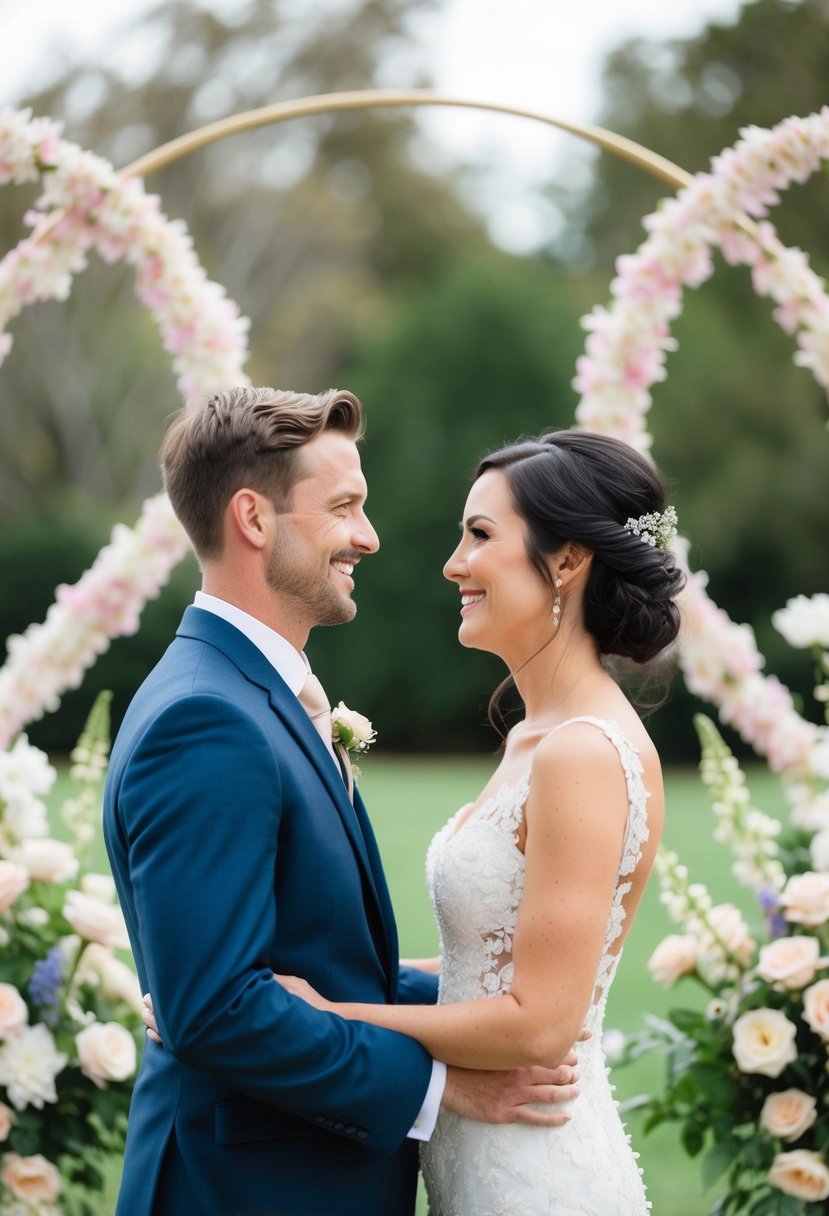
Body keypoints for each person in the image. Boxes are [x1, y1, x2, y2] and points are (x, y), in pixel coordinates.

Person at [104, 386, 579, 1216]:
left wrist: (526, 1000)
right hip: (243, 1192)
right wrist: (441, 1087)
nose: (370, 536)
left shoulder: (251, 696)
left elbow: (321, 971)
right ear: (253, 520)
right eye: (345, 507)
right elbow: (217, 1009)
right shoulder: (206, 718)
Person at [273, 429, 685, 1214]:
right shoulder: (534, 737)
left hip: (537, 1171)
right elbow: (490, 964)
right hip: (480, 1158)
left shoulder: (580, 753)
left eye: (480, 535)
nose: (452, 563)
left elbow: (537, 1024)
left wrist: (327, 1017)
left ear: (566, 560)